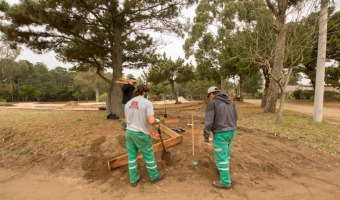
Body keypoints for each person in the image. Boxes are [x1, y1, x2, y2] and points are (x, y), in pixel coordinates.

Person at [124, 84, 164, 187]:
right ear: (145, 92)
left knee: (132, 157)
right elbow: (151, 121)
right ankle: (154, 177)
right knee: (148, 155)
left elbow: (127, 120)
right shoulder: (147, 103)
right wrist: (157, 120)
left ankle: (133, 180)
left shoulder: (129, 103)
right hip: (141, 134)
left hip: (129, 133)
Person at [203, 86, 238, 189]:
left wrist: (206, 134)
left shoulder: (213, 103)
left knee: (221, 157)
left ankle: (225, 182)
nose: (210, 98)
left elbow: (208, 120)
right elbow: (236, 117)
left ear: (212, 94)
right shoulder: (230, 101)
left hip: (220, 133)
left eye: (209, 96)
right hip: (231, 131)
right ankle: (223, 171)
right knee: (226, 154)